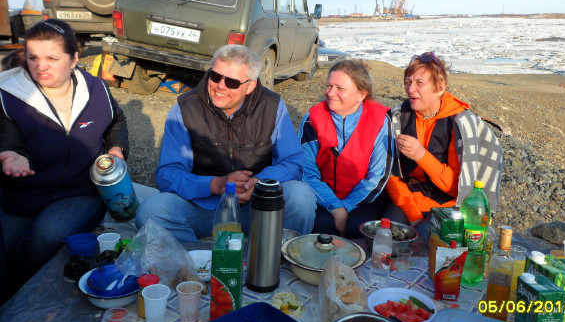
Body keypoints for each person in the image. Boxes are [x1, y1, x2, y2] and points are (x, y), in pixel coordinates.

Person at [0, 19, 132, 295]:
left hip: (80, 191)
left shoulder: (96, 89)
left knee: (45, 236)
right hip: (23, 193)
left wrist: (116, 149)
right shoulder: (9, 96)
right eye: (33, 57)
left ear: (74, 59)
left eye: (52, 58)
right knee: (5, 247)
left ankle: (20, 292)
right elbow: (6, 140)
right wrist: (10, 156)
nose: (41, 66)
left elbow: (116, 121)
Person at [135, 45, 316, 241]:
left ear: (250, 86)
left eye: (231, 82)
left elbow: (293, 162)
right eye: (215, 76)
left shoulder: (272, 106)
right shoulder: (185, 108)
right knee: (151, 210)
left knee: (301, 197)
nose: (220, 86)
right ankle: (197, 257)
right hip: (205, 208)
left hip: (258, 206)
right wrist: (215, 185)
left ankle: (273, 256)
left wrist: (258, 183)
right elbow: (167, 173)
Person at [385, 52, 502, 235]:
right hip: (408, 200)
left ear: (440, 88)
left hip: (450, 204)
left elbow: (459, 188)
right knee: (388, 234)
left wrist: (421, 156)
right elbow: (391, 175)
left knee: (429, 237)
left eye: (419, 83)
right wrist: (413, 215)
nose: (411, 89)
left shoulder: (460, 124)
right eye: (408, 82)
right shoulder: (397, 118)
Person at [298, 59, 396, 239]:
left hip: (364, 198)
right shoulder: (313, 118)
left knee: (358, 228)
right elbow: (306, 172)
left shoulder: (380, 120)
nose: (330, 93)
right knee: (322, 225)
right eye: (329, 85)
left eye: (340, 88)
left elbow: (377, 176)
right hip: (323, 196)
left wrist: (346, 208)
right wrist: (335, 207)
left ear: (361, 94)